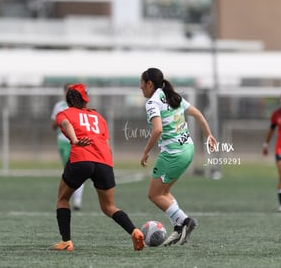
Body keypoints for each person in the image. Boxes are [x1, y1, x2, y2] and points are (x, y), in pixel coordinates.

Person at [50, 83, 145, 252]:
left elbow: (65, 124)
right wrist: (108, 166)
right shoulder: (98, 117)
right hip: (104, 161)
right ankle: (134, 230)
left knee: (62, 199)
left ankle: (66, 242)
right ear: (86, 100)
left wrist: (76, 140)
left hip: (81, 157)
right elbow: (107, 145)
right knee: (109, 207)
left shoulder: (64, 112)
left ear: (68, 99)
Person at [139, 68, 217, 246]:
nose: (140, 87)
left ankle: (185, 221)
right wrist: (209, 135)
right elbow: (198, 114)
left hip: (172, 154)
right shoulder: (174, 96)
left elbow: (157, 129)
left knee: (154, 194)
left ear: (150, 83)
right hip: (188, 150)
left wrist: (145, 152)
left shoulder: (153, 102)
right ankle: (178, 228)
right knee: (164, 192)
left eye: (142, 83)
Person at [51, 84, 84, 210]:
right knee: (68, 170)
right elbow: (53, 125)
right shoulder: (59, 107)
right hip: (63, 142)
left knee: (77, 170)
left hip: (76, 142)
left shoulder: (80, 106)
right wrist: (60, 120)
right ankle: (67, 198)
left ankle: (77, 200)